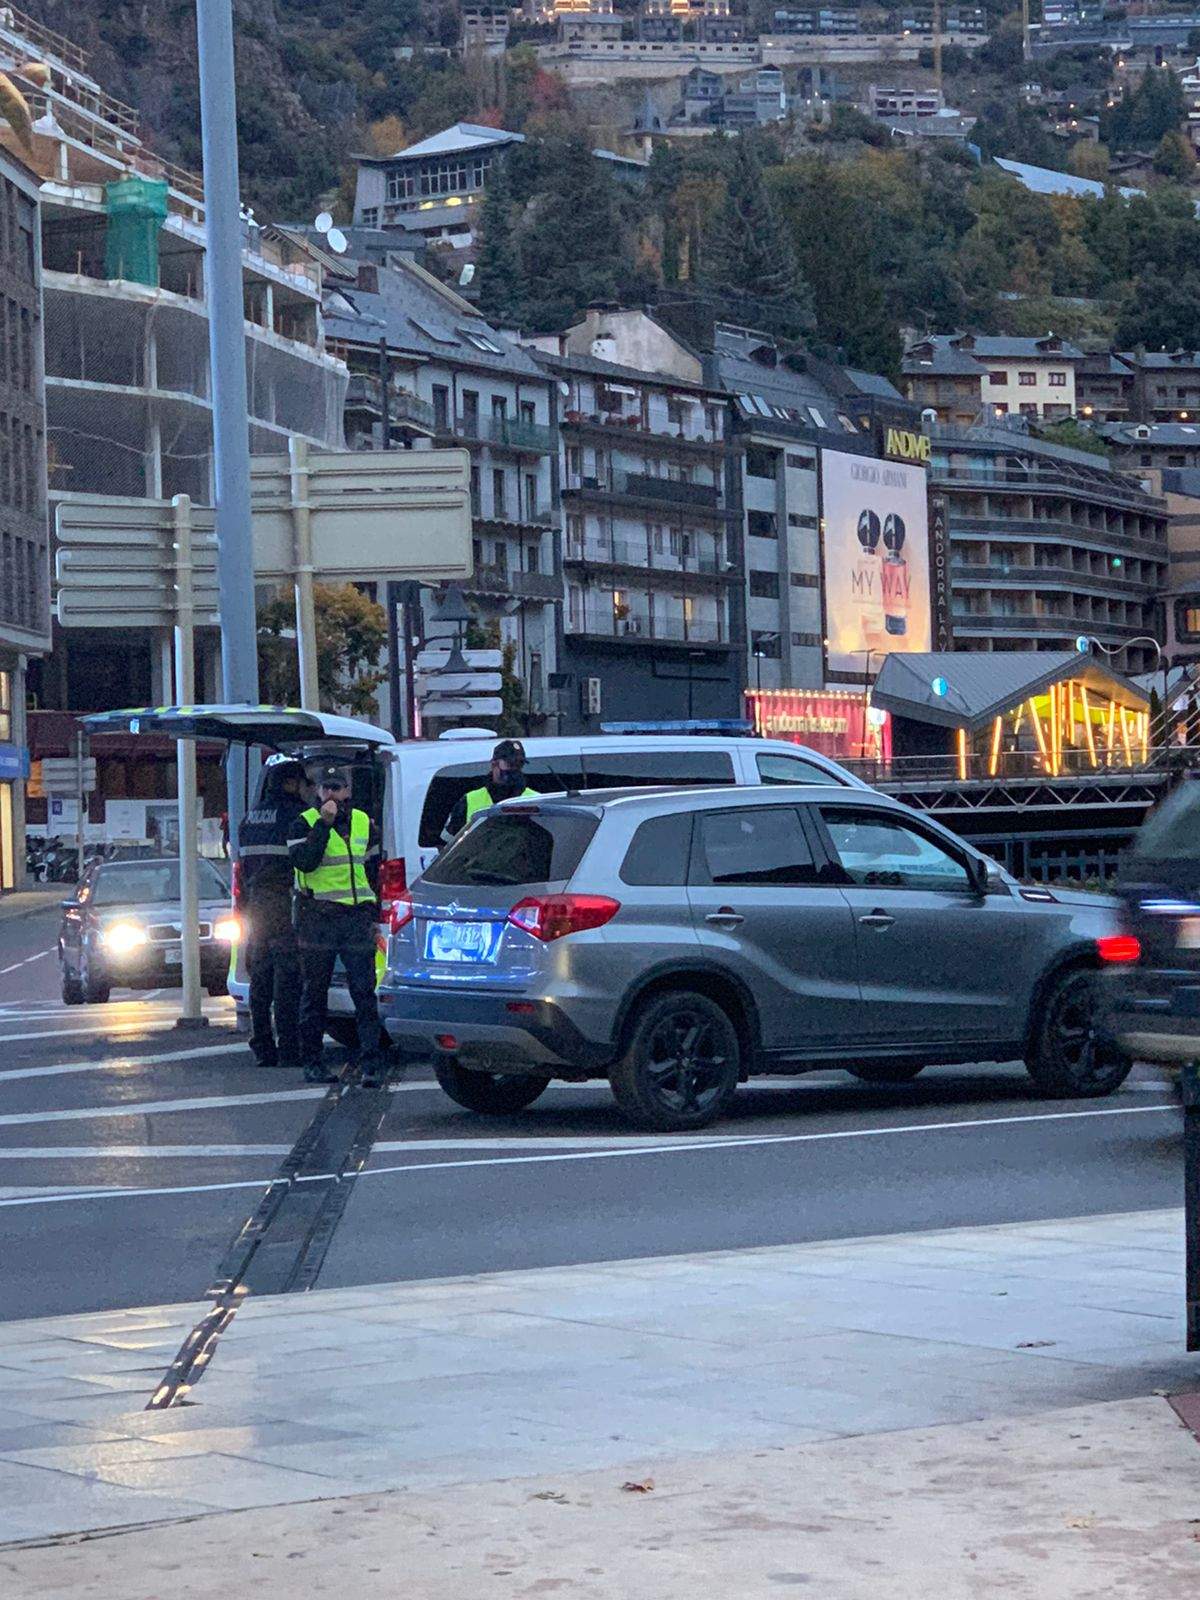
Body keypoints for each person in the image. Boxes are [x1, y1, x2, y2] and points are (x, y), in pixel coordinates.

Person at [288, 764, 386, 1086]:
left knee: (364, 993)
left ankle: (372, 1064)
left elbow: (372, 869)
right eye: (325, 788)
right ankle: (313, 1063)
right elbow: (306, 861)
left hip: (355, 918)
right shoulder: (302, 823)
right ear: (317, 793)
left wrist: (374, 914)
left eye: (337, 788)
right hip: (318, 917)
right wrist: (324, 825)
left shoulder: (363, 823)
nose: (331, 794)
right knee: (314, 994)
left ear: (348, 792)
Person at [237, 757, 308, 1070]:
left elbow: (242, 868)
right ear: (292, 783)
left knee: (260, 979)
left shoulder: (250, 819)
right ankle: (289, 1047)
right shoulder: (297, 816)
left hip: (254, 906)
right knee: (287, 978)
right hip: (283, 904)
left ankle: (262, 1046)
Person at [442, 739, 538, 842]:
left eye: (519, 765)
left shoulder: (536, 800)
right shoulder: (469, 800)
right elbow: (448, 845)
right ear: (493, 764)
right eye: (510, 764)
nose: (514, 769)